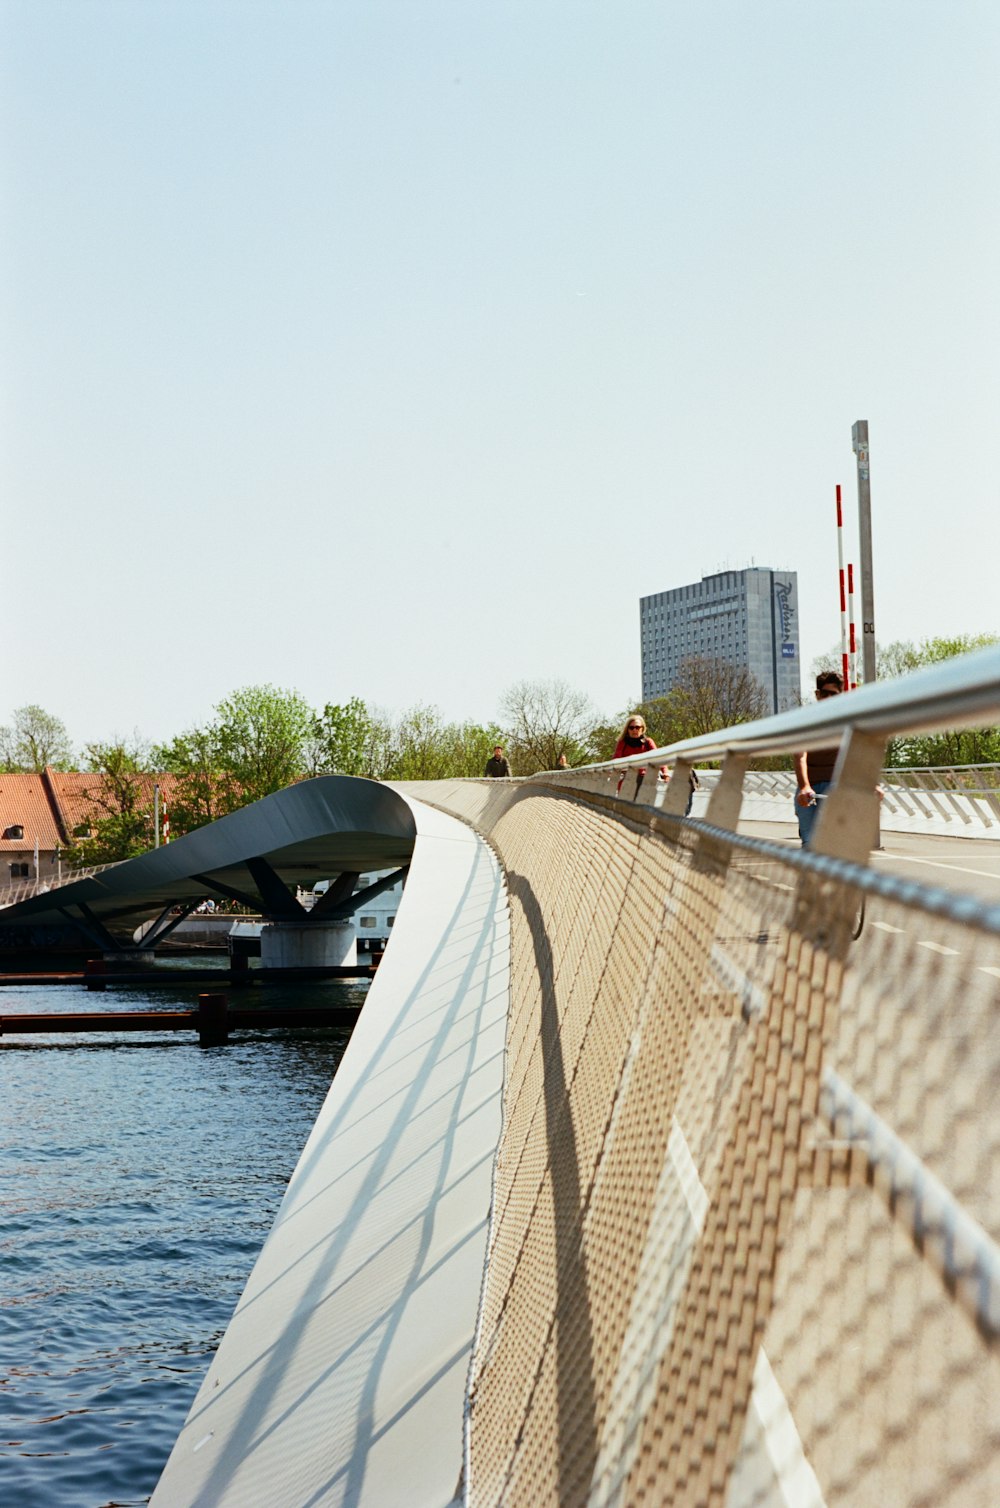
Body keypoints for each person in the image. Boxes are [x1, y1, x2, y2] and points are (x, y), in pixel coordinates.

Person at [794, 670, 843, 845]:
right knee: (809, 842)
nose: (828, 698)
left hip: (833, 785)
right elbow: (800, 755)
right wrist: (804, 786)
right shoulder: (807, 720)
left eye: (833, 694)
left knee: (831, 841)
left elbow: (858, 753)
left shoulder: (846, 719)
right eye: (824, 693)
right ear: (817, 694)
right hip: (809, 785)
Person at [613, 715, 666, 794]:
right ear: (627, 729)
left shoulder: (648, 742)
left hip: (644, 779)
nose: (634, 730)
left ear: (642, 728)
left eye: (637, 727)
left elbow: (658, 757)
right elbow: (616, 759)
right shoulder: (622, 743)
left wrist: (665, 772)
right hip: (627, 778)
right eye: (631, 728)